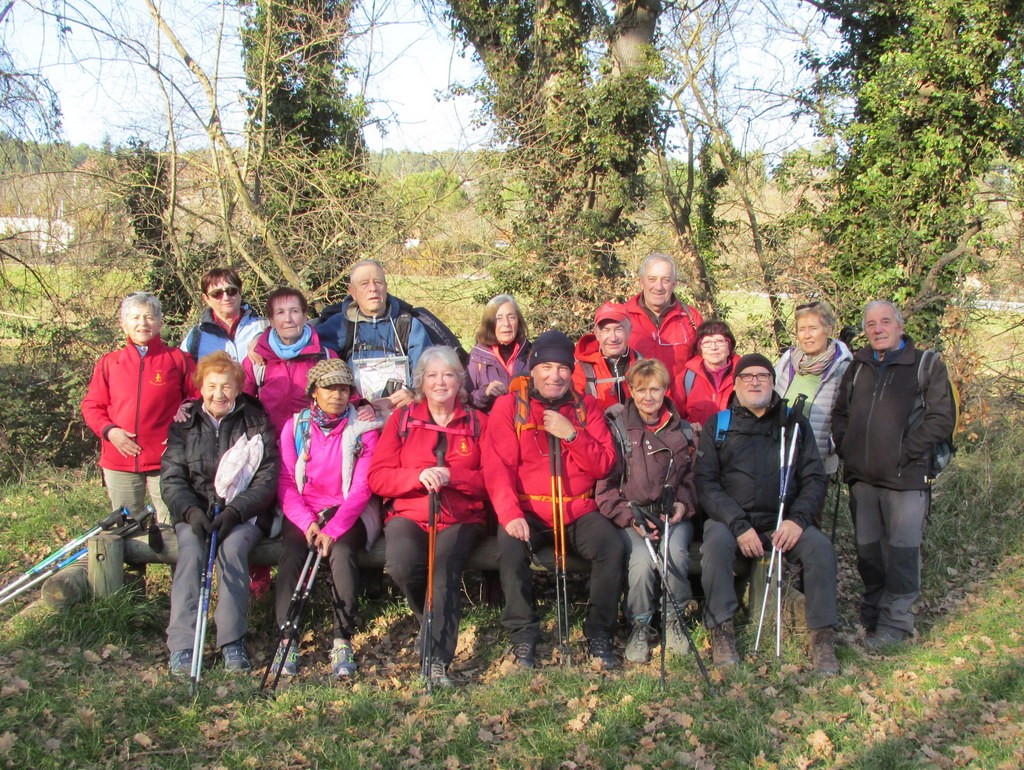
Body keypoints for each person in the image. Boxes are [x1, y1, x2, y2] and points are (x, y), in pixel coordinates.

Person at [483, 330, 623, 670]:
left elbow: (605, 463)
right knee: (510, 548)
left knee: (611, 547)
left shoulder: (586, 408)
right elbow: (496, 466)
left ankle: (599, 632)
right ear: (533, 369)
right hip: (528, 509)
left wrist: (571, 434)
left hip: (576, 508)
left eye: (562, 368)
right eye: (546, 366)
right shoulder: (509, 407)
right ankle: (524, 636)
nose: (554, 375)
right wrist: (509, 514)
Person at [695, 354, 838, 674]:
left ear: (774, 382)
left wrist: (798, 520)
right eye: (747, 377)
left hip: (784, 521)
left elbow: (815, 478)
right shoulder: (719, 425)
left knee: (820, 549)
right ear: (736, 384)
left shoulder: (794, 423)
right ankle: (722, 630)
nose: (755, 382)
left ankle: (823, 638)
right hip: (733, 521)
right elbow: (706, 483)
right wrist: (737, 524)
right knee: (715, 545)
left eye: (762, 376)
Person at [832, 300, 955, 649]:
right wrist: (847, 447)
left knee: (902, 553)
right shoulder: (857, 365)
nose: (878, 329)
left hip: (906, 479)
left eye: (885, 322)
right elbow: (840, 414)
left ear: (900, 326)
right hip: (863, 479)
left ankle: (896, 625)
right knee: (868, 552)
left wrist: (905, 452)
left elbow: (941, 419)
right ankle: (873, 612)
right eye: (871, 324)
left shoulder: (924, 365)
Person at [368, 347, 488, 688]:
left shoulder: (479, 422)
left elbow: (492, 480)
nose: (440, 382)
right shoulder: (402, 421)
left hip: (461, 517)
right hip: (410, 513)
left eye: (448, 375)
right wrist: (417, 476)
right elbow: (378, 477)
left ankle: (436, 660)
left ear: (459, 381)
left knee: (445, 570)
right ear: (421, 381)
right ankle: (430, 621)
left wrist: (453, 476)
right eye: (432, 376)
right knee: (403, 565)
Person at [161, 352, 279, 674]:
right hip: (196, 511)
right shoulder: (186, 423)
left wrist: (235, 512)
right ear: (200, 387)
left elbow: (267, 477)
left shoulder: (255, 419)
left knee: (233, 549)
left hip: (243, 513)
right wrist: (190, 512)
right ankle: (183, 644)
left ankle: (231, 640)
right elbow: (172, 477)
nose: (219, 393)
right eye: (211, 386)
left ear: (238, 387)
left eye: (226, 386)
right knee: (190, 551)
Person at [273, 359, 383, 680]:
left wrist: (333, 529)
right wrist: (307, 522)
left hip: (349, 509)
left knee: (344, 552)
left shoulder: (362, 427)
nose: (337, 395)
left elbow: (362, 487)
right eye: (329, 387)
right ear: (314, 391)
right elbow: (286, 482)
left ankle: (342, 638)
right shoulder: (295, 427)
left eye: (343, 388)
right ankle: (286, 637)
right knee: (292, 553)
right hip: (304, 509)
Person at [596, 359, 697, 664]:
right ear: (631, 390)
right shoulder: (617, 429)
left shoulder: (684, 430)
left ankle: (674, 618)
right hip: (632, 516)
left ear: (666, 390)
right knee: (640, 560)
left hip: (672, 514)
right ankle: (640, 624)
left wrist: (682, 504)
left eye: (655, 389)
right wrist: (629, 517)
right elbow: (606, 488)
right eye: (641, 390)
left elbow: (693, 480)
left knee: (674, 553)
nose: (648, 397)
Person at [81, 292, 195, 524]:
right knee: (127, 530)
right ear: (123, 325)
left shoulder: (177, 359)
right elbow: (92, 406)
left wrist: (187, 409)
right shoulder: (110, 362)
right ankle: (133, 563)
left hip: (166, 459)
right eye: (135, 318)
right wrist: (110, 431)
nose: (142, 323)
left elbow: (200, 394)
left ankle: (177, 563)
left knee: (173, 526)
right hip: (120, 459)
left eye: (149, 317)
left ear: (160, 323)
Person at [315, 259, 432, 410]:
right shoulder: (338, 326)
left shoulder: (408, 325)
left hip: (401, 412)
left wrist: (414, 393)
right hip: (354, 413)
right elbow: (318, 369)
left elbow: (429, 371)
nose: (373, 289)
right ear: (352, 292)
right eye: (364, 284)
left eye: (378, 282)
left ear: (386, 287)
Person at [774, 301, 853, 474]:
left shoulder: (842, 367)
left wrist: (831, 444)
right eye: (802, 329)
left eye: (813, 328)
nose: (807, 335)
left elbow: (850, 414)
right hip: (778, 455)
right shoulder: (789, 361)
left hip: (816, 460)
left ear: (828, 329)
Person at [242, 287, 335, 434]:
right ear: (271, 321)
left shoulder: (325, 357)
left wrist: (364, 406)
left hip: (313, 444)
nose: (288, 319)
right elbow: (240, 404)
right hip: (271, 445)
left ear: (305, 316)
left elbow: (346, 400)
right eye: (280, 312)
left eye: (294, 311)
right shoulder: (256, 360)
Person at [621, 253, 704, 396]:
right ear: (641, 282)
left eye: (665, 280)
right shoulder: (622, 317)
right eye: (652, 279)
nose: (658, 287)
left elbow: (708, 364)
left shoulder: (691, 318)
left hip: (681, 409)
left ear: (674, 284)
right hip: (635, 408)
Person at [179, 267, 267, 362]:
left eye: (231, 291)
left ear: (240, 291)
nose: (226, 298)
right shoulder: (195, 339)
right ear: (206, 299)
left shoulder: (264, 327)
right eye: (217, 293)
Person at [467, 294, 531, 412]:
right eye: (499, 318)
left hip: (526, 426)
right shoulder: (477, 356)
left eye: (511, 317)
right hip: (491, 425)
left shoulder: (531, 354)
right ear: (490, 323)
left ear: (519, 321)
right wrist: (485, 393)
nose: (506, 324)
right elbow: (467, 399)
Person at [572, 302, 641, 411]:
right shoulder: (581, 368)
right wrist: (604, 408)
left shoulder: (643, 365)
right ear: (596, 333)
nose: (613, 338)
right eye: (606, 330)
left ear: (629, 331)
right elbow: (573, 410)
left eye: (619, 329)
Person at [674, 320, 740, 427]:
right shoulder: (686, 378)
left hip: (736, 441)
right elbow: (674, 417)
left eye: (719, 341)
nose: (713, 347)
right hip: (698, 441)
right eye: (707, 342)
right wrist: (687, 427)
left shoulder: (744, 375)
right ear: (700, 349)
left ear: (729, 346)